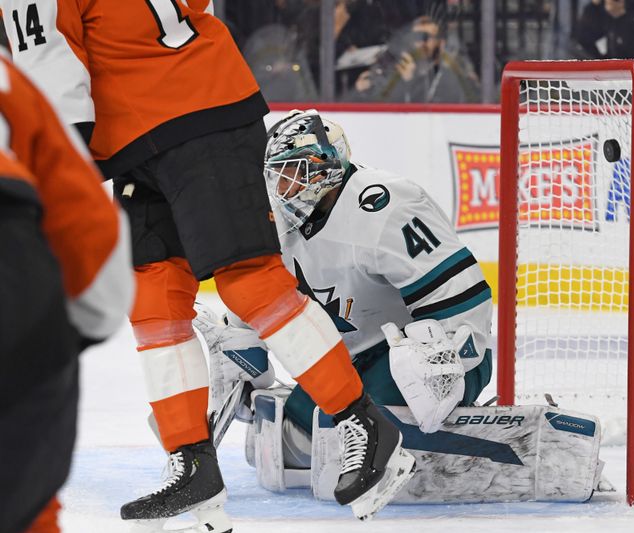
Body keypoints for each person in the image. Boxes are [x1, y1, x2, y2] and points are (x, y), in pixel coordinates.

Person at [0, 1, 413, 528]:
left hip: (195, 119)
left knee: (251, 284)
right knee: (152, 301)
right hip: (145, 132)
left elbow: (50, 67)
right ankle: (192, 463)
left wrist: (50, 176)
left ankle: (364, 423)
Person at [194, 109, 493, 481]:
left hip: (426, 353)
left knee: (363, 430)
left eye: (294, 172)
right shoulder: (281, 217)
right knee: (300, 432)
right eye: (277, 175)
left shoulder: (386, 205)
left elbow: (462, 295)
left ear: (326, 166)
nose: (282, 187)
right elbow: (258, 292)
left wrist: (451, 367)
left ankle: (459, 437)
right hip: (352, 356)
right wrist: (242, 345)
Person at [0, 54, 133, 533]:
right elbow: (95, 247)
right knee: (27, 508)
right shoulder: (11, 80)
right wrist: (53, 343)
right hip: (16, 270)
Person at [347, 15, 480, 103]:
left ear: (441, 44)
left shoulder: (450, 77)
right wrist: (360, 92)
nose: (421, 43)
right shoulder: (392, 71)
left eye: (427, 37)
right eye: (416, 36)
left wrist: (409, 82)